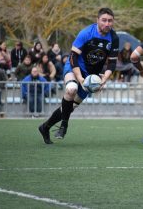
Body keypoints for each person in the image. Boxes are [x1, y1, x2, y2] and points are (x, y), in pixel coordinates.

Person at [38, 8, 119, 144]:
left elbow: (112, 63)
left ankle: (45, 127)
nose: (107, 23)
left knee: (70, 107)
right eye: (104, 20)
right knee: (71, 88)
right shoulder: (86, 33)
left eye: (110, 21)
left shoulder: (114, 38)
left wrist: (104, 79)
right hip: (74, 67)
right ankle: (64, 125)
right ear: (97, 20)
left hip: (91, 74)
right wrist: (80, 78)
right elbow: (73, 56)